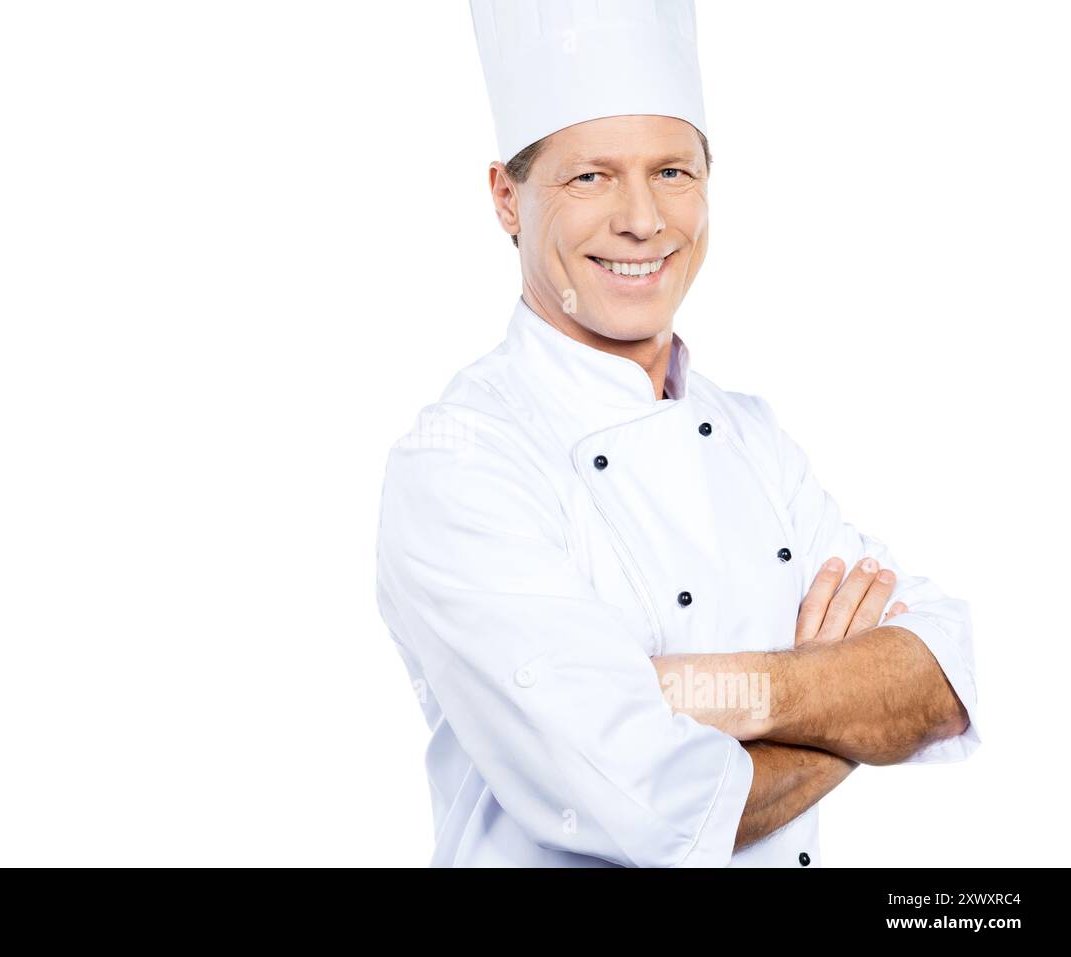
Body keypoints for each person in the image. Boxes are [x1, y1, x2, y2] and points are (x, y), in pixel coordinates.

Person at [373, 0, 980, 867]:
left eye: (671, 172)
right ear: (508, 198)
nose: (643, 221)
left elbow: (949, 678)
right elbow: (646, 807)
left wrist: (708, 691)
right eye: (590, 178)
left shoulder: (752, 436)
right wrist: (849, 709)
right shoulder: (460, 465)